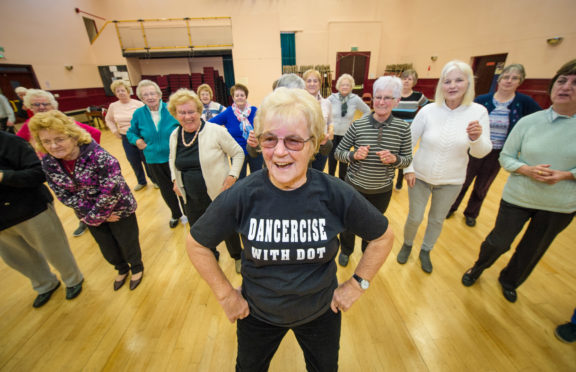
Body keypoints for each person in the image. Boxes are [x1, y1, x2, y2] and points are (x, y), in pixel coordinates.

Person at [186, 87, 394, 371]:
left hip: (321, 313)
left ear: (316, 144)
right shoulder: (243, 194)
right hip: (257, 314)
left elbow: (383, 237)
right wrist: (225, 295)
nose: (280, 152)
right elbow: (197, 244)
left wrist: (358, 285)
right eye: (270, 139)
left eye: (294, 141)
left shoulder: (335, 194)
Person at [461, 59, 576, 303]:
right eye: (562, 81)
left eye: (575, 83)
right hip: (519, 196)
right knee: (498, 241)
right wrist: (526, 169)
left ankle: (510, 281)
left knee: (532, 249)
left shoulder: (525, 105)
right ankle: (478, 268)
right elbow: (507, 157)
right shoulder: (529, 122)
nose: (566, 87)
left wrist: (567, 174)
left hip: (559, 205)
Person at [29, 110, 144, 291]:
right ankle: (121, 269)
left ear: (73, 137)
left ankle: (136, 268)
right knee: (107, 247)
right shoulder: (48, 163)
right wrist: (96, 217)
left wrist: (95, 216)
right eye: (46, 141)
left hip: (118, 209)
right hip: (89, 214)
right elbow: (62, 194)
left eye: (59, 139)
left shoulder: (99, 156)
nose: (53, 146)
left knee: (127, 241)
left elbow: (111, 191)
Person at [398, 60, 492, 273]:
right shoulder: (429, 110)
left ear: (468, 84)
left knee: (437, 219)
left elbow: (481, 152)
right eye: (447, 81)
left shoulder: (478, 112)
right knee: (414, 217)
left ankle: (426, 250)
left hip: (452, 180)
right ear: (441, 85)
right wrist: (408, 169)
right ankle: (408, 244)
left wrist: (476, 139)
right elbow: (408, 142)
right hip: (419, 176)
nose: (452, 85)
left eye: (459, 80)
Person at [448, 64, 541, 227]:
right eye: (506, 77)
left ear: (520, 81)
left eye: (514, 78)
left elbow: (539, 120)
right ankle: (451, 207)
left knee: (482, 185)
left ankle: (471, 213)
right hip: (475, 148)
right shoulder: (482, 100)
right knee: (463, 180)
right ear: (499, 79)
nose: (509, 81)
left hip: (497, 152)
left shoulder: (523, 102)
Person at [0, 131, 84, 307]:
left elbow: (38, 173)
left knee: (54, 248)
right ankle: (45, 284)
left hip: (29, 209)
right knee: (17, 257)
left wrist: (5, 176)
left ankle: (72, 279)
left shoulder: (9, 142)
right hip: (2, 223)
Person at [335, 76, 412, 267]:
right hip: (354, 187)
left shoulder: (403, 129)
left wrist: (395, 159)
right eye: (378, 97)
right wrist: (353, 156)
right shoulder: (358, 125)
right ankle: (346, 249)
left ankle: (367, 251)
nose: (381, 102)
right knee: (347, 223)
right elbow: (338, 152)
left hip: (381, 191)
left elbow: (407, 159)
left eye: (387, 98)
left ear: (397, 101)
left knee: (373, 226)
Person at [168, 89, 245, 273]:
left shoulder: (215, 131)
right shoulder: (174, 135)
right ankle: (211, 254)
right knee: (200, 228)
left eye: (191, 111)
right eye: (182, 112)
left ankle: (237, 256)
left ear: (199, 111)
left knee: (227, 227)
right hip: (190, 195)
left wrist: (232, 175)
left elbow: (238, 152)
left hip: (217, 191)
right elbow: (172, 159)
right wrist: (174, 180)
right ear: (175, 114)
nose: (187, 116)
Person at [17, 89, 101, 238]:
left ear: (53, 105)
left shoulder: (63, 122)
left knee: (88, 192)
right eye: (36, 104)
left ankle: (98, 215)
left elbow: (94, 133)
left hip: (76, 165)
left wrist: (89, 155)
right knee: (70, 195)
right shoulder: (30, 125)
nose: (41, 107)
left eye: (45, 104)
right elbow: (17, 144)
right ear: (30, 106)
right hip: (53, 169)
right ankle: (84, 220)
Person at [127, 79, 184, 228]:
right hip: (153, 158)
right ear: (141, 98)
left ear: (159, 95)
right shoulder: (139, 114)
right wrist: (137, 140)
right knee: (166, 189)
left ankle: (188, 212)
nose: (150, 97)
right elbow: (131, 132)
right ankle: (175, 213)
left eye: (152, 93)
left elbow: (184, 126)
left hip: (175, 157)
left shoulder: (171, 109)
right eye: (146, 95)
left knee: (182, 185)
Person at [105, 80, 155, 192]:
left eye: (123, 90)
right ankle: (141, 181)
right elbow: (108, 119)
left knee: (146, 159)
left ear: (128, 91)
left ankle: (154, 180)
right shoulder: (113, 106)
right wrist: (114, 130)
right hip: (126, 137)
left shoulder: (138, 104)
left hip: (140, 136)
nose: (121, 93)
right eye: (118, 91)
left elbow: (148, 118)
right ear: (115, 93)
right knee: (133, 160)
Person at [211, 84, 262, 179]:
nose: (239, 98)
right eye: (237, 95)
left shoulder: (254, 111)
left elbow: (265, 123)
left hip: (255, 151)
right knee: (239, 181)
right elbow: (210, 123)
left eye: (242, 95)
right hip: (237, 153)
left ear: (246, 96)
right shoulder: (228, 112)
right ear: (233, 98)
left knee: (258, 178)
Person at [328, 74, 371, 180]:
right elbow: (322, 110)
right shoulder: (332, 98)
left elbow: (367, 111)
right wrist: (327, 124)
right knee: (332, 159)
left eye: (347, 85)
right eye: (342, 85)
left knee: (344, 160)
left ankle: (343, 182)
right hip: (333, 134)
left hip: (346, 135)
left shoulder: (355, 99)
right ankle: (330, 180)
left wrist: (357, 123)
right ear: (338, 86)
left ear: (351, 86)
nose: (345, 87)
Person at [392, 69, 428, 190]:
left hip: (408, 133)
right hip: (392, 131)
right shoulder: (394, 94)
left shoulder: (418, 96)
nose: (406, 81)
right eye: (404, 78)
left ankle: (399, 180)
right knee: (389, 156)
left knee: (404, 157)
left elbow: (428, 108)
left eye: (410, 79)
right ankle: (388, 178)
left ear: (414, 82)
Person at [303, 69, 334, 171]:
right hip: (303, 145)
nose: (312, 84)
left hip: (322, 145)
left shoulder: (326, 103)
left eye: (315, 81)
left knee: (317, 173)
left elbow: (330, 121)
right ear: (304, 83)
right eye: (309, 81)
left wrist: (331, 131)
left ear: (320, 84)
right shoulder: (298, 103)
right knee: (303, 173)